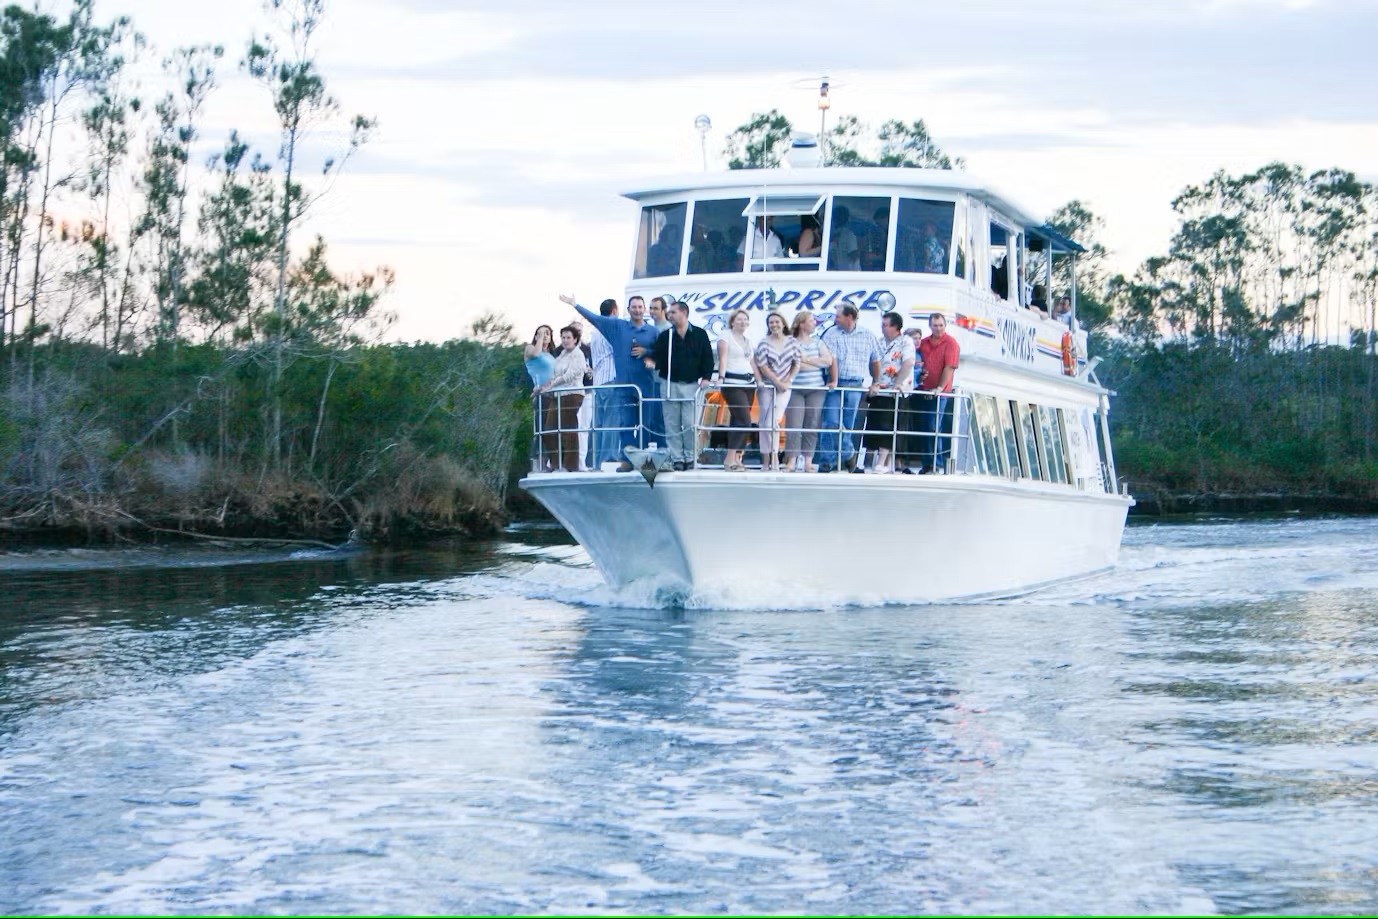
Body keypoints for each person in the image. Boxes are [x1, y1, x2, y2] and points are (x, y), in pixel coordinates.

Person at [561, 293, 661, 468]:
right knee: (625, 425)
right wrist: (575, 305)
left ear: (644, 309)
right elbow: (595, 318)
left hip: (646, 387)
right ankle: (628, 461)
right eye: (634, 307)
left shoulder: (653, 331)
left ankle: (645, 461)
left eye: (640, 307)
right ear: (628, 309)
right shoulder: (618, 326)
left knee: (646, 424)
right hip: (623, 386)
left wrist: (647, 353)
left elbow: (662, 354)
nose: (637, 310)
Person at [645, 300, 714, 471]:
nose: (670, 315)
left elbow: (708, 357)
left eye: (673, 312)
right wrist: (652, 361)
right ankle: (677, 458)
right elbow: (658, 356)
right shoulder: (666, 335)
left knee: (690, 423)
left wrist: (706, 377)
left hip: (692, 384)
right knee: (672, 423)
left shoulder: (699, 334)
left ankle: (691, 456)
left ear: (684, 313)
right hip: (669, 383)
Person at [815, 303, 881, 472]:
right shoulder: (830, 334)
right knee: (830, 422)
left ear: (849, 317)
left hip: (855, 384)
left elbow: (875, 360)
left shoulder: (867, 335)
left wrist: (876, 382)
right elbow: (831, 359)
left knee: (847, 424)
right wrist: (834, 380)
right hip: (834, 384)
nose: (835, 319)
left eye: (838, 316)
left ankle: (844, 460)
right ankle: (833, 459)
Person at [860, 311, 915, 474]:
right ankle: (878, 462)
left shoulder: (905, 341)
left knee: (889, 425)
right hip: (879, 390)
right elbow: (873, 363)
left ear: (895, 327)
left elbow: (909, 362)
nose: (882, 328)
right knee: (877, 424)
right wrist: (873, 383)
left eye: (885, 325)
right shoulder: (880, 342)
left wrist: (897, 384)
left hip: (895, 393)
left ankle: (881, 462)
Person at [783, 311, 835, 473]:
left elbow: (828, 361)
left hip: (816, 389)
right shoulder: (790, 343)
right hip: (795, 389)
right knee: (794, 424)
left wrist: (805, 360)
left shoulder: (818, 342)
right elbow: (792, 365)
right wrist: (810, 363)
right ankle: (791, 461)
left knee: (812, 424)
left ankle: (808, 461)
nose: (815, 323)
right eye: (812, 320)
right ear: (801, 323)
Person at [752, 310, 801, 471]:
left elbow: (797, 363)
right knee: (765, 423)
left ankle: (774, 457)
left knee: (774, 421)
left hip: (785, 387)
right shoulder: (764, 342)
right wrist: (776, 381)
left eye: (776, 322)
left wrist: (788, 381)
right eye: (771, 322)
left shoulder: (792, 342)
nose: (774, 325)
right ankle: (767, 459)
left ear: (783, 324)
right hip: (767, 386)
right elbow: (762, 365)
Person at [536, 326, 588, 472]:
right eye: (563, 337)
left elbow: (570, 375)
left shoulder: (578, 354)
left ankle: (570, 465)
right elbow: (553, 374)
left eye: (568, 337)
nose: (565, 340)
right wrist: (543, 386)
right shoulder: (562, 355)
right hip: (558, 394)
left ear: (575, 339)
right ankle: (555, 462)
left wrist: (552, 385)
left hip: (572, 394)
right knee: (549, 429)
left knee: (568, 429)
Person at [917, 312, 961, 473]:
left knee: (933, 426)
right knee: (923, 426)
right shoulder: (923, 343)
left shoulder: (951, 343)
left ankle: (936, 463)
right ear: (930, 326)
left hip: (940, 392)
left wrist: (940, 388)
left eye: (941, 325)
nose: (938, 328)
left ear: (945, 325)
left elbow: (949, 367)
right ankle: (927, 463)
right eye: (935, 325)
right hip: (923, 390)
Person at [714, 308, 756, 473]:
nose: (742, 322)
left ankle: (738, 457)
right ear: (732, 321)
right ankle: (729, 458)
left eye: (745, 319)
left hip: (749, 383)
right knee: (744, 420)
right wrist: (721, 377)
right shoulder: (726, 336)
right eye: (739, 319)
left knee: (737, 421)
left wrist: (758, 380)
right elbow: (723, 357)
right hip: (733, 383)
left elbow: (751, 362)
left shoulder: (747, 340)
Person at [524, 325, 558, 470]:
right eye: (541, 333)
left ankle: (551, 462)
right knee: (541, 430)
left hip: (552, 395)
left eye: (547, 333)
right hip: (541, 396)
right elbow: (536, 354)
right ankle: (538, 464)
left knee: (551, 430)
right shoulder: (530, 349)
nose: (544, 336)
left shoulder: (551, 355)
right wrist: (540, 338)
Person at [828, 206, 859, 271]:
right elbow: (854, 255)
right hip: (850, 273)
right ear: (847, 218)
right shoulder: (849, 234)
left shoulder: (831, 236)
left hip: (838, 271)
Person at [860, 206, 890, 271]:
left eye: (879, 224)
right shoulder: (884, 233)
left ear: (886, 218)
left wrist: (875, 257)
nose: (879, 227)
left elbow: (896, 257)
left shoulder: (897, 235)